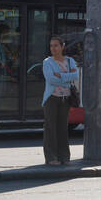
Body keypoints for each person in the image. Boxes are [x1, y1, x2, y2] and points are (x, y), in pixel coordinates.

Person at [41, 36, 79, 166]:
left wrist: (61, 76)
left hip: (66, 98)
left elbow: (76, 75)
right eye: (51, 46)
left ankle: (64, 157)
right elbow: (51, 79)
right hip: (51, 98)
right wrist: (66, 78)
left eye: (56, 45)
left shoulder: (70, 61)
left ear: (62, 46)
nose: (53, 48)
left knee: (63, 128)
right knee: (50, 128)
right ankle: (51, 157)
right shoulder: (47, 62)